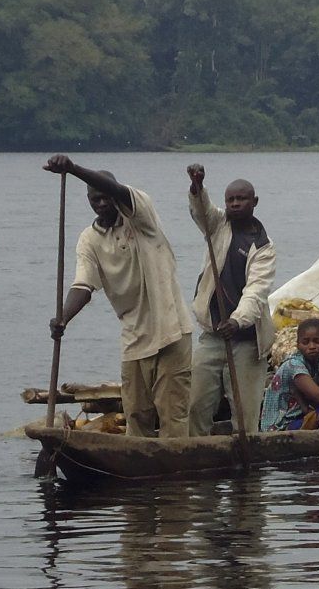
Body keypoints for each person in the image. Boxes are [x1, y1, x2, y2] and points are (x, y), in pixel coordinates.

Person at [44, 155, 193, 438]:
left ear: (114, 194)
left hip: (171, 331)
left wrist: (73, 169)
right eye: (94, 199)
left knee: (173, 413)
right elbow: (83, 286)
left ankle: (176, 477)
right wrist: (63, 318)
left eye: (106, 196)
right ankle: (137, 473)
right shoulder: (90, 239)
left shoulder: (141, 217)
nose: (101, 203)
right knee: (136, 415)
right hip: (134, 337)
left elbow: (121, 193)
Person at [186, 164, 276, 437]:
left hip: (247, 339)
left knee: (245, 412)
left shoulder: (263, 246)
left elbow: (256, 292)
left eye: (242, 199)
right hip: (213, 334)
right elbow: (201, 211)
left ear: (254, 202)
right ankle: (197, 456)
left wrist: (237, 321)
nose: (235, 204)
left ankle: (245, 466)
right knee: (197, 405)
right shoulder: (218, 225)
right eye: (231, 200)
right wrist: (197, 186)